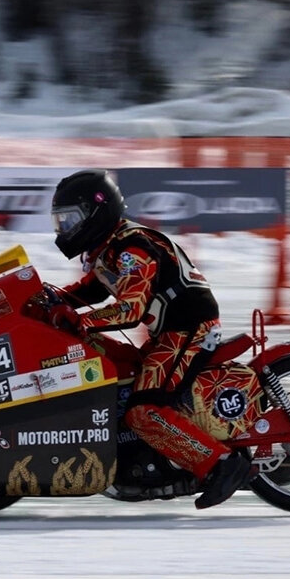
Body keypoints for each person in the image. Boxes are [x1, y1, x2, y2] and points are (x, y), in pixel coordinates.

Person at [47, 169, 252, 509]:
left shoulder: (131, 249)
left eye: (70, 220)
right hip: (169, 332)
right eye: (60, 222)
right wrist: (49, 301)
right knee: (117, 371)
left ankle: (221, 464)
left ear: (97, 212)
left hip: (187, 329)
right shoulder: (109, 250)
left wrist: (82, 322)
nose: (64, 230)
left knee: (143, 411)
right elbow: (88, 292)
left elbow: (131, 309)